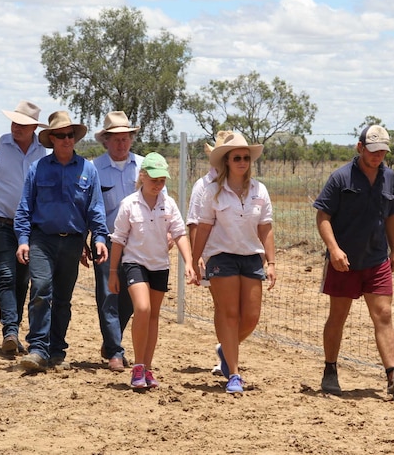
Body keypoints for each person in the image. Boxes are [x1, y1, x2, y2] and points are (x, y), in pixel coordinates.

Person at [313, 125, 394, 398]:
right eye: (373, 151)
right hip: (344, 262)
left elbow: (391, 215)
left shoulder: (389, 178)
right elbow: (322, 217)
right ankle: (330, 370)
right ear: (360, 148)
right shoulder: (340, 178)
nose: (378, 156)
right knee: (338, 316)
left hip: (376, 259)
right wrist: (334, 250)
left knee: (383, 314)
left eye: (383, 151)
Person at [14, 111, 110, 373]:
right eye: (61, 135)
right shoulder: (38, 169)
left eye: (71, 135)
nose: (67, 139)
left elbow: (95, 209)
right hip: (41, 240)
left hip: (72, 243)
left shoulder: (88, 170)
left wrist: (99, 237)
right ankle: (37, 348)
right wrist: (23, 240)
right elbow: (24, 208)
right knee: (41, 290)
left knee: (63, 299)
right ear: (52, 139)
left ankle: (57, 351)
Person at [190, 131, 277, 394]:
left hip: (251, 256)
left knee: (250, 317)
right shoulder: (212, 191)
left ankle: (225, 349)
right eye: (237, 157)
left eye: (246, 158)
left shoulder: (259, 190)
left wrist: (271, 262)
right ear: (227, 161)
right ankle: (234, 375)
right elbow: (203, 227)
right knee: (229, 314)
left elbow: (266, 228)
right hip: (221, 256)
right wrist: (195, 260)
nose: (242, 162)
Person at [108, 152, 196, 389]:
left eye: (162, 180)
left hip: (160, 265)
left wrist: (188, 262)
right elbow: (118, 240)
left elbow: (179, 234)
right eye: (154, 179)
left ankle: (147, 368)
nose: (158, 185)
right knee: (143, 309)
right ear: (142, 176)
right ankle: (137, 367)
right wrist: (113, 272)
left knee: (154, 315)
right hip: (134, 263)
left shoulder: (169, 204)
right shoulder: (129, 204)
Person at [0, 101, 48, 356]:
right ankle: (10, 329)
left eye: (22, 124)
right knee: (7, 275)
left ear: (34, 128)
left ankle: (14, 330)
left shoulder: (44, 151)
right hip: (1, 221)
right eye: (14, 122)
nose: (16, 127)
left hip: (32, 228)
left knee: (24, 279)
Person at [88, 111, 141, 372]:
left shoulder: (144, 167)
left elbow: (161, 200)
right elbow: (87, 207)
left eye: (126, 138)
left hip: (138, 244)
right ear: (105, 141)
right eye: (116, 139)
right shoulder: (93, 169)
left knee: (131, 298)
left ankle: (111, 341)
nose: (121, 144)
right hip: (106, 241)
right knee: (108, 294)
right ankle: (116, 352)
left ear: (131, 139)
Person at [186, 130, 230, 376]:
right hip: (214, 254)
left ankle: (227, 349)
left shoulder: (243, 184)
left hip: (241, 254)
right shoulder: (202, 186)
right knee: (223, 307)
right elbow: (194, 223)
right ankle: (227, 356)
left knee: (241, 309)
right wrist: (197, 257)